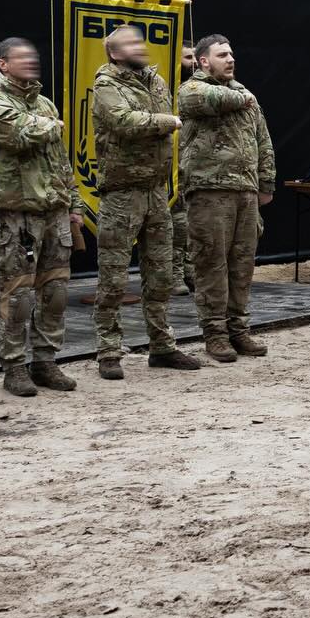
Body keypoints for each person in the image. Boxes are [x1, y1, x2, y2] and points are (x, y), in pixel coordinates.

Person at [0, 37, 85, 397]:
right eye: (21, 57)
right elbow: (22, 134)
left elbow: (61, 161)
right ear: (2, 65)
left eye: (32, 56)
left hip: (54, 211)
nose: (30, 62)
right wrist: (53, 125)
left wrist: (74, 205)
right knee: (17, 296)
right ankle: (14, 367)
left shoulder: (46, 104)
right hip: (17, 214)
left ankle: (45, 361)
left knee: (55, 292)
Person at [92, 24, 200, 377]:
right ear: (113, 52)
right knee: (114, 278)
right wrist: (166, 121)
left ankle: (162, 346)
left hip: (156, 192)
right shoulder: (107, 84)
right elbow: (124, 121)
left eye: (139, 41)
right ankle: (108, 351)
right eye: (129, 43)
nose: (139, 47)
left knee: (160, 274)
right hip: (122, 193)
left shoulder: (155, 80)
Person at [177, 33, 276, 363]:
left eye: (232, 53)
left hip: (245, 192)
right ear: (204, 61)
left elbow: (263, 141)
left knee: (242, 265)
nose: (231, 59)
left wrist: (266, 183)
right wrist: (242, 97)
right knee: (211, 265)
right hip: (209, 192)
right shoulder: (192, 89)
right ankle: (215, 334)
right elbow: (207, 100)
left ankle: (239, 329)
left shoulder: (245, 94)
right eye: (222, 55)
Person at [170, 42, 197, 294]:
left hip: (195, 166)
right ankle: (175, 274)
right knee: (177, 224)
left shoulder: (200, 90)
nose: (194, 62)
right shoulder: (166, 90)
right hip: (172, 167)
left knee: (193, 224)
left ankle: (191, 271)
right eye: (188, 57)